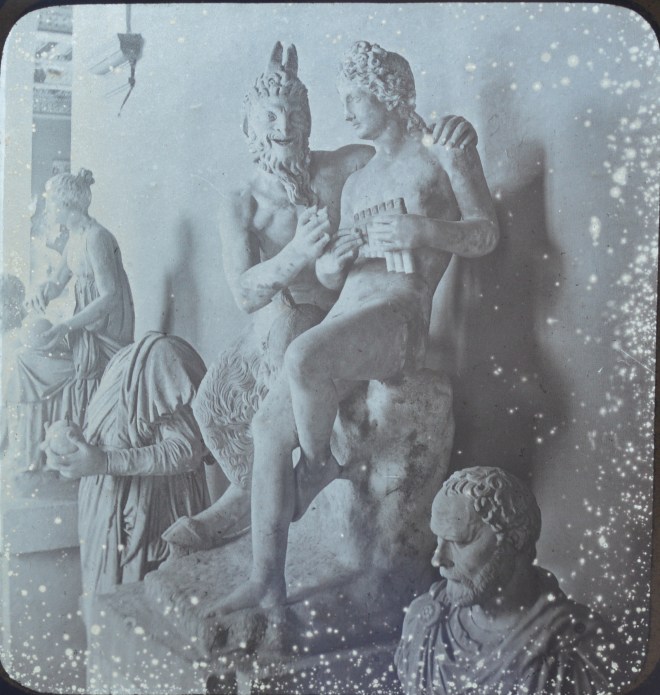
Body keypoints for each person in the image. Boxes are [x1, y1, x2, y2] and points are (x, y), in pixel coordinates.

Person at [214, 41, 498, 615]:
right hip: (348, 315)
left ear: (389, 95)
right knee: (267, 428)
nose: (344, 113)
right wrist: (330, 264)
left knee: (302, 357)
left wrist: (424, 231)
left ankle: (320, 464)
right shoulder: (359, 180)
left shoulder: (442, 153)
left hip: (399, 318)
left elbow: (485, 232)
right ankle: (267, 583)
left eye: (353, 99)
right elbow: (328, 275)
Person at [395, 467, 619, 695]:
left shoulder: (577, 647)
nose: (438, 559)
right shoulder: (422, 624)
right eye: (439, 539)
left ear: (515, 539)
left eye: (459, 542)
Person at [42, 332, 210, 609]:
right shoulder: (119, 359)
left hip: (146, 517)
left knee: (140, 614)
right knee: (106, 610)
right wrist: (67, 453)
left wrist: (104, 462)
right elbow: (105, 438)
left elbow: (187, 451)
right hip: (102, 508)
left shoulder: (161, 355)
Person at [3, 169, 134, 479]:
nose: (48, 209)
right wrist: (42, 292)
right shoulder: (75, 238)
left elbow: (111, 296)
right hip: (84, 330)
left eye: (51, 203)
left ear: (67, 205)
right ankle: (28, 453)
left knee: (26, 364)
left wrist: (66, 327)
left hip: (103, 337)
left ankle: (33, 456)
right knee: (23, 358)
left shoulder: (97, 238)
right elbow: (58, 281)